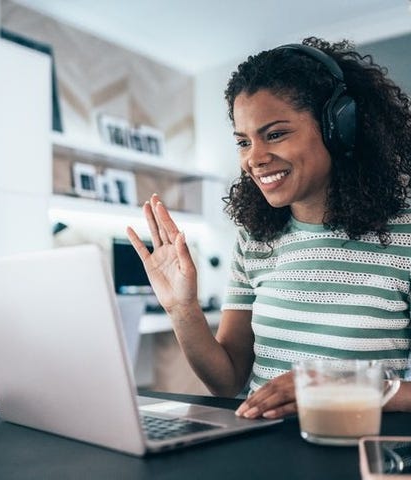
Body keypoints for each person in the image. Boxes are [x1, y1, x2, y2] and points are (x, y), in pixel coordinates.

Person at [126, 36, 411, 419]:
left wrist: (338, 388)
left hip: (354, 451)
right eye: (244, 142)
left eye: (275, 134)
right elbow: (227, 381)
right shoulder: (255, 241)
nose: (254, 159)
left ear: (338, 128)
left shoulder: (404, 237)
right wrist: (182, 309)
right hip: (259, 446)